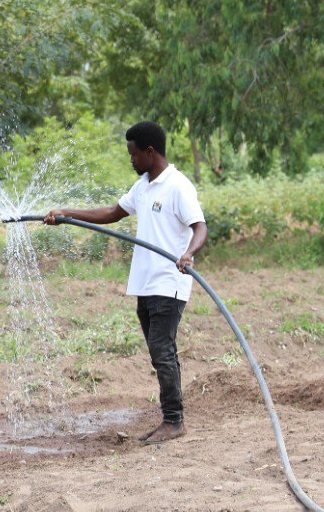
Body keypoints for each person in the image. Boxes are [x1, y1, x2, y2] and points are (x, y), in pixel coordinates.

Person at [44, 121, 207, 444]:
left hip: (169, 282)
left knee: (162, 351)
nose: (131, 160)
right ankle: (172, 418)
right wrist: (66, 214)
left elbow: (200, 226)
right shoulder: (143, 187)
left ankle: (174, 421)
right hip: (145, 284)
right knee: (160, 352)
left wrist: (188, 253)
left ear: (150, 152)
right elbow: (112, 212)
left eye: (133, 154)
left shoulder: (178, 186)